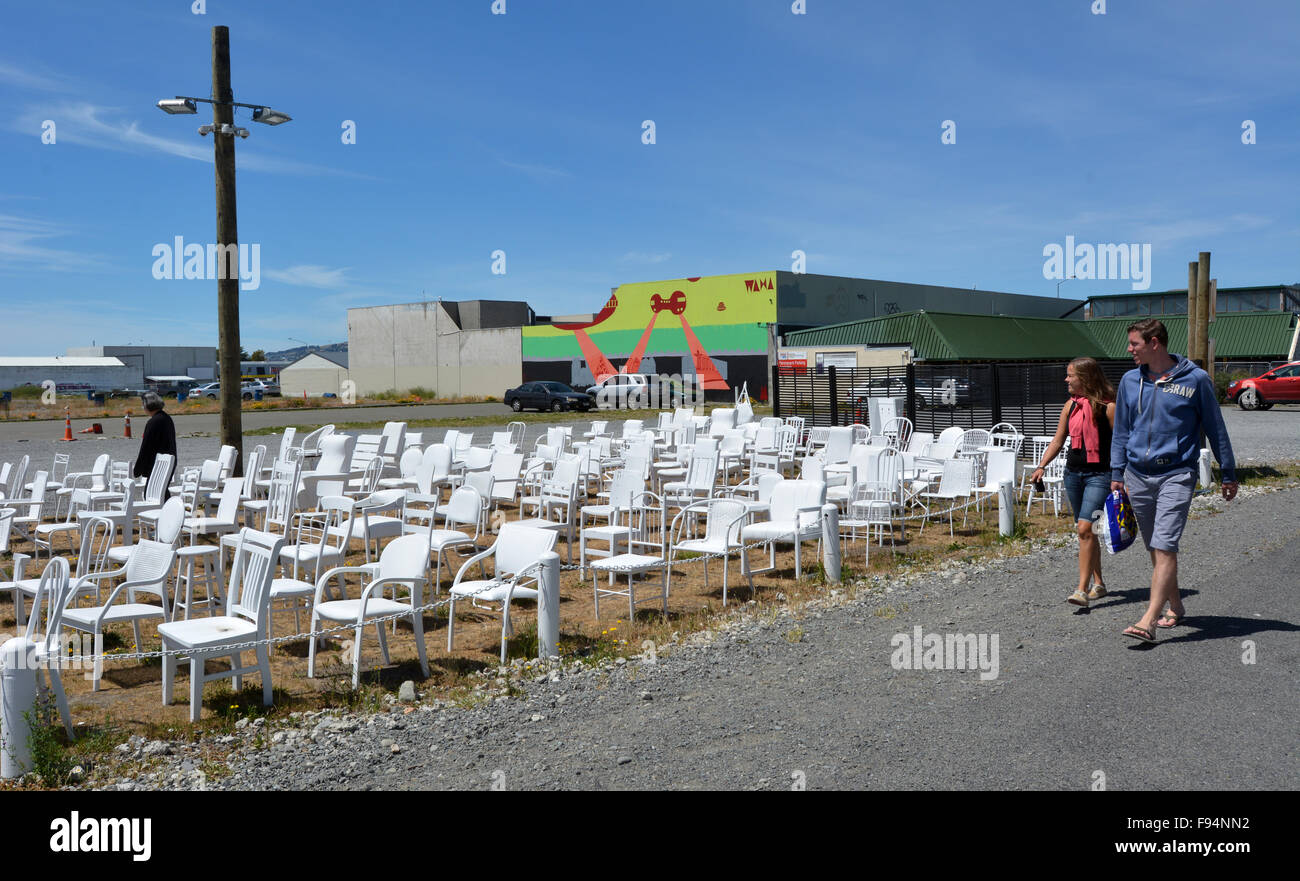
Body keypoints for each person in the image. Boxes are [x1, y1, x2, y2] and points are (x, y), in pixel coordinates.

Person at [1109, 318, 1238, 643]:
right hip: (1137, 476)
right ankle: (1176, 606)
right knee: (1156, 547)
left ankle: (1148, 620)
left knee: (1165, 546)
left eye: (1134, 344)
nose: (1129, 350)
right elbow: (1122, 432)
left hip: (1176, 474)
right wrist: (1116, 473)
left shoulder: (1195, 380)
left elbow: (1215, 427)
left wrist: (1229, 471)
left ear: (1155, 343)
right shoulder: (1129, 381)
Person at [1030, 357, 1116, 608]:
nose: (1066, 379)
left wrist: (1123, 476)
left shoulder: (1108, 407)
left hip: (1100, 475)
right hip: (1074, 474)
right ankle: (1099, 584)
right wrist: (1041, 466)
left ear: (1086, 378)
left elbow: (1122, 442)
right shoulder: (1071, 406)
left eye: (1070, 375)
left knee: (1084, 529)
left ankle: (1081, 590)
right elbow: (1058, 440)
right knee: (1087, 531)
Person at [132, 392, 177, 484]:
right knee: (162, 492)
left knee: (151, 493)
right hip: (168, 462)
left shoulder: (153, 422)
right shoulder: (166, 418)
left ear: (147, 406)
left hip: (157, 465)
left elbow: (146, 446)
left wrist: (138, 469)